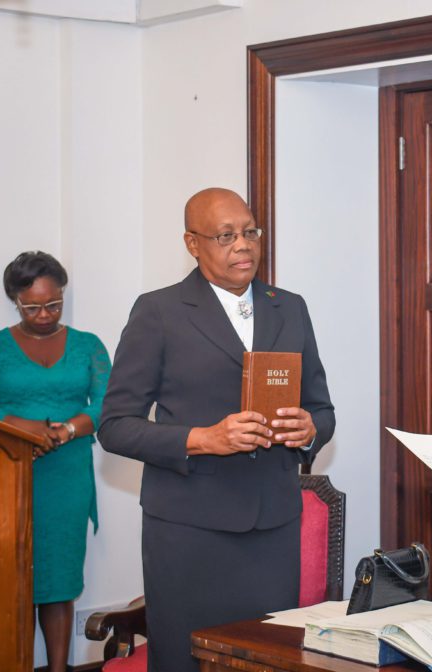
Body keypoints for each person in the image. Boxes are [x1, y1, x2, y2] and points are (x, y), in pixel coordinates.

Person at [98, 187, 336, 672]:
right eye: (226, 236)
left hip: (273, 526)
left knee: (267, 661)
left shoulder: (289, 307)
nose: (243, 245)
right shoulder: (158, 312)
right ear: (192, 243)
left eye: (250, 232)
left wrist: (309, 429)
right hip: (189, 531)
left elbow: (322, 410)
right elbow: (114, 427)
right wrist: (203, 439)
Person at [0, 251, 110, 672]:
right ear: (15, 300)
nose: (45, 314)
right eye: (33, 306)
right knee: (15, 580)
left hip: (66, 475)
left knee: (58, 580)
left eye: (54, 303)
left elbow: (108, 404)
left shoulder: (88, 345)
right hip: (9, 471)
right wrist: (24, 428)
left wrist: (64, 430)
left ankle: (59, 669)